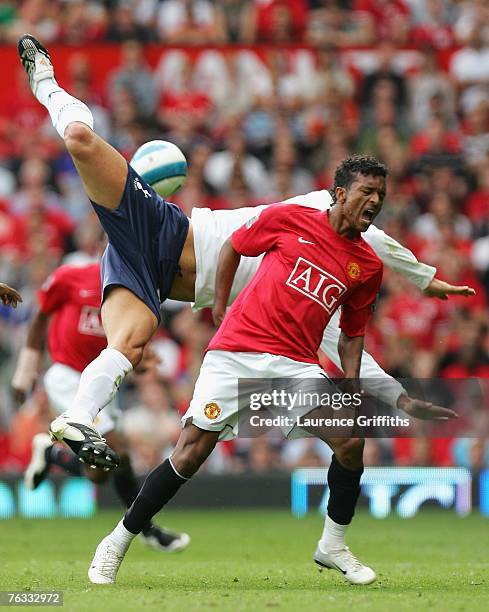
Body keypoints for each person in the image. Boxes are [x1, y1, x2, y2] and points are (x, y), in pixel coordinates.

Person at [17, 34, 474, 470]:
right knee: (79, 139)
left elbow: (346, 344)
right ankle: (47, 83)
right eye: (361, 199)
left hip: (152, 276)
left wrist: (398, 397)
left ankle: (76, 418)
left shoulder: (312, 290)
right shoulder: (310, 212)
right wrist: (422, 277)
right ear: (340, 195)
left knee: (128, 346)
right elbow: (372, 235)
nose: (365, 211)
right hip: (164, 230)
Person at [86, 155, 457, 586]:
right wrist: (221, 307)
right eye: (366, 192)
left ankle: (333, 545)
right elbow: (233, 247)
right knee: (190, 454)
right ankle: (117, 541)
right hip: (235, 352)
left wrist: (354, 388)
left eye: (380, 195)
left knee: (352, 440)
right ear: (340, 194)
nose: (374, 201)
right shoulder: (290, 218)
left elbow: (352, 335)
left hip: (294, 365)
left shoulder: (367, 267)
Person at [11, 259, 189, 553]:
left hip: (102, 387)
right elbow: (40, 317)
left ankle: (52, 453)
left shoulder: (137, 289)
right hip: (67, 376)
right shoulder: (72, 277)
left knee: (102, 470)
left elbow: (127, 342)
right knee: (118, 452)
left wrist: (142, 361)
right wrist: (26, 369)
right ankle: (147, 530)